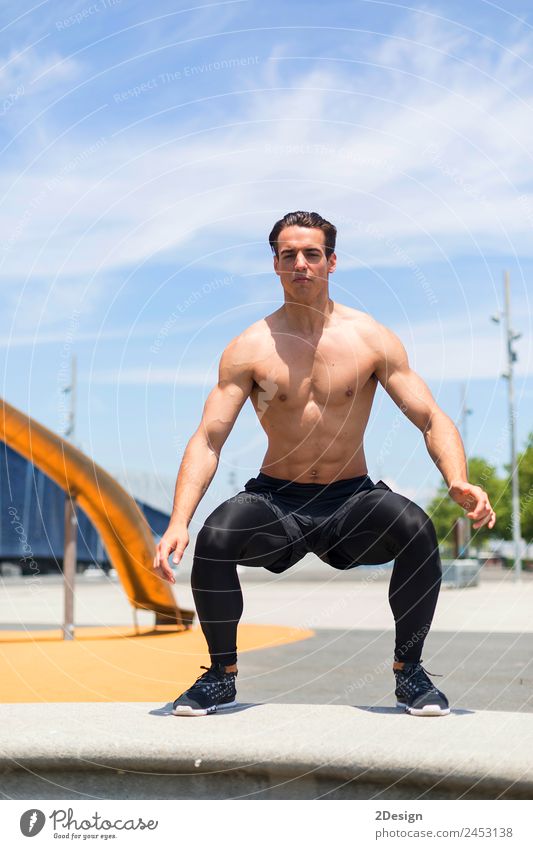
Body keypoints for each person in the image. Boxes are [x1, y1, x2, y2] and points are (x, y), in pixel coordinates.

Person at [153, 210, 496, 718]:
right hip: (276, 499)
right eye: (289, 254)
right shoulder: (249, 348)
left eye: (312, 254)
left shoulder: (370, 339)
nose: (301, 264)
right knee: (216, 535)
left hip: (350, 500)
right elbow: (208, 438)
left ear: (331, 261)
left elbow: (430, 417)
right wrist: (179, 520)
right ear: (275, 263)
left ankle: (410, 673)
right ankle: (220, 677)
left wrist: (457, 479)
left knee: (417, 529)